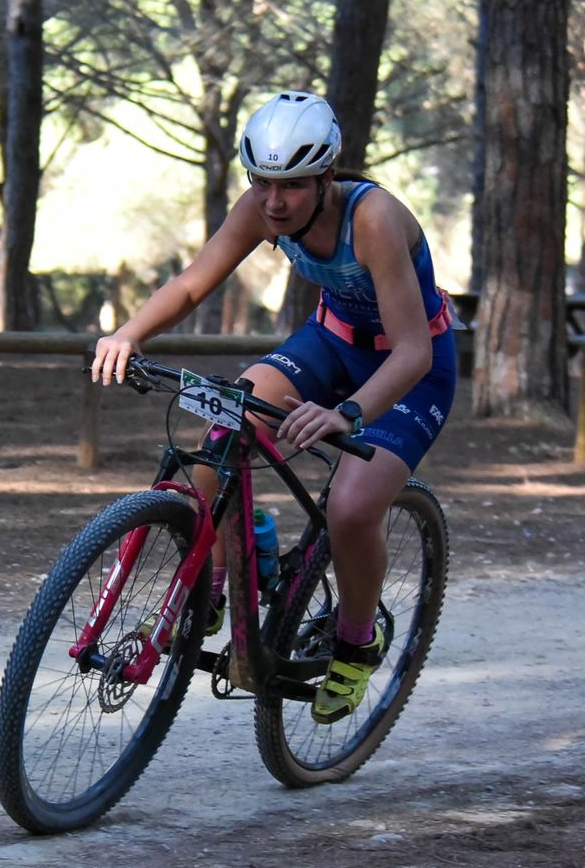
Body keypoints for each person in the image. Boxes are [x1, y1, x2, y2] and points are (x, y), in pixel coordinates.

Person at [90, 90, 457, 725]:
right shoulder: (262, 208)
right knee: (224, 428)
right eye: (261, 181)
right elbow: (190, 282)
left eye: (290, 185)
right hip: (330, 344)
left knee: (349, 508)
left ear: (325, 177)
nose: (273, 200)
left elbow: (413, 351)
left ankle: (355, 642)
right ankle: (217, 582)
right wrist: (130, 333)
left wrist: (348, 414)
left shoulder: (373, 220)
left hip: (408, 368)